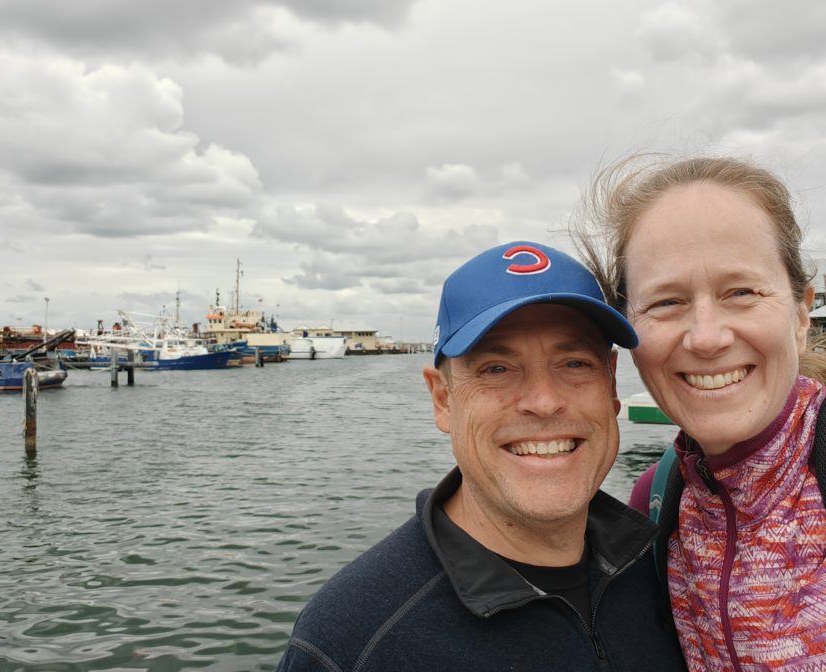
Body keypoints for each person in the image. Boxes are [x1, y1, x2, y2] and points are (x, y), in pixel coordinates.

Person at [274, 241, 687, 671]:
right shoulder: (350, 643)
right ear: (443, 399)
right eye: (496, 369)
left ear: (612, 385)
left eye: (574, 363)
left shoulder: (671, 569)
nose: (544, 402)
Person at [572, 155, 826, 671]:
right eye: (666, 302)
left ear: (801, 315)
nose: (707, 337)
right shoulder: (658, 500)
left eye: (741, 292)